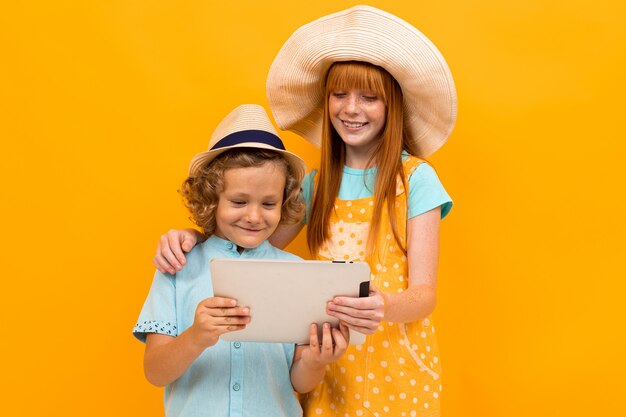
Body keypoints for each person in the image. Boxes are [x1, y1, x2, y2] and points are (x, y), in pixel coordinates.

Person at [153, 5, 457, 416]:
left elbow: (425, 295)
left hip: (394, 361)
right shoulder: (316, 185)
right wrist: (192, 238)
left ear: (393, 105)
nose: (351, 109)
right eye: (340, 95)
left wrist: (382, 305)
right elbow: (250, 248)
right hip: (322, 356)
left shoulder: (415, 179)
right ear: (325, 99)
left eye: (369, 97)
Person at [134, 104, 350, 417]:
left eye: (268, 203)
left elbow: (299, 382)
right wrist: (197, 336)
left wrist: (317, 360)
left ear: (284, 201)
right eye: (238, 201)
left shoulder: (296, 273)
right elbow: (155, 372)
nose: (253, 216)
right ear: (211, 199)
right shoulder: (178, 267)